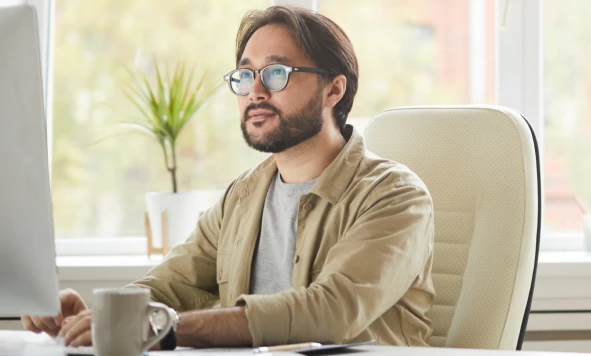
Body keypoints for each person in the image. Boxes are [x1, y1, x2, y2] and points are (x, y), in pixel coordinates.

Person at [22, 5, 435, 349]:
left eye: (277, 73)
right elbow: (169, 286)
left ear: (334, 90)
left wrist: (163, 327)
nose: (255, 91)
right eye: (244, 75)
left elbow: (330, 312)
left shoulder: (396, 197)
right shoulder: (243, 195)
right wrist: (103, 315)